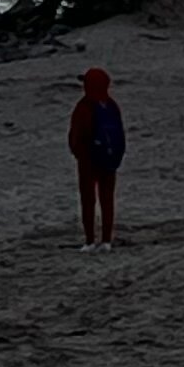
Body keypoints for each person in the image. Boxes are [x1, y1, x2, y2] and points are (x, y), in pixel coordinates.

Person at [67, 64, 126, 246]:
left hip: (88, 162)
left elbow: (75, 137)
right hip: (109, 160)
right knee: (107, 201)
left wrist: (79, 155)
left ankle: (90, 241)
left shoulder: (84, 106)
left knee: (88, 201)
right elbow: (121, 135)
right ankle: (107, 240)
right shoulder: (111, 106)